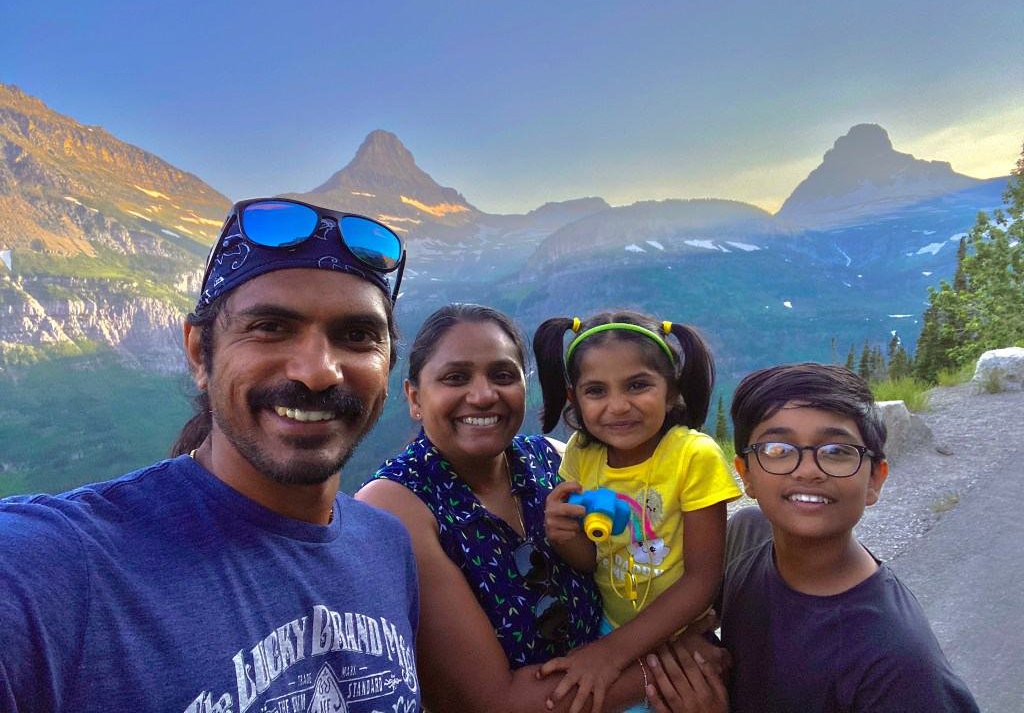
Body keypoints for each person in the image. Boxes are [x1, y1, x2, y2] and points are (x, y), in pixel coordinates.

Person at [0, 197, 421, 712]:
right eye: (271, 327)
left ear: (388, 366)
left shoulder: (387, 547)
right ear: (201, 353)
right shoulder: (63, 570)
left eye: (357, 336)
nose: (317, 372)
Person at [356, 304, 727, 713]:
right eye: (455, 378)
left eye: (503, 375)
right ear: (414, 397)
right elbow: (494, 704)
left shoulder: (553, 460)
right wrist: (673, 663)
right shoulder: (395, 505)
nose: (483, 395)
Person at [722, 362, 980, 712]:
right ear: (746, 475)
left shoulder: (899, 664)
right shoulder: (746, 538)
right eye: (778, 450)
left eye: (836, 452)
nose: (808, 470)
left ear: (875, 479)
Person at [533, 311, 742, 713]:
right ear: (575, 398)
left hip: (678, 637)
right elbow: (592, 559)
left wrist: (609, 654)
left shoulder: (692, 456)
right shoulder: (582, 454)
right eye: (596, 391)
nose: (617, 406)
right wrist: (564, 537)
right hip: (609, 627)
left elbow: (702, 580)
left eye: (637, 385)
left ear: (671, 391)